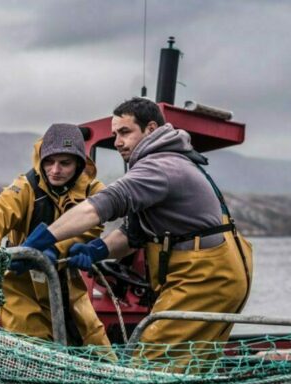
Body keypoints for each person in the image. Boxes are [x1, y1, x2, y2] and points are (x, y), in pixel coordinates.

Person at [19, 98, 252, 363]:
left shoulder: (160, 166)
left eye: (125, 132)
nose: (118, 141)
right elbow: (135, 233)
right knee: (190, 360)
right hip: (220, 272)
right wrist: (97, 250)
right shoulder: (174, 160)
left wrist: (40, 241)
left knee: (150, 360)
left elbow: (102, 205)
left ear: (151, 129)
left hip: (205, 277)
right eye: (115, 133)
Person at [0, 123, 110, 346]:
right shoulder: (25, 187)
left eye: (65, 163)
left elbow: (91, 228)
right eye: (49, 162)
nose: (55, 170)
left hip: (67, 283)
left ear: (79, 164)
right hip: (21, 285)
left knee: (97, 347)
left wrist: (62, 249)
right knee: (32, 345)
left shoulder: (94, 191)